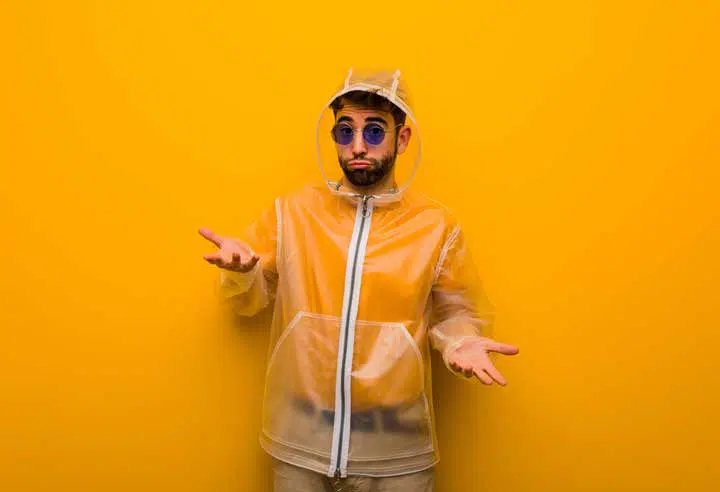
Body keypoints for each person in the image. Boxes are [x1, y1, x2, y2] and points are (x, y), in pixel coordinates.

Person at [199, 69, 519, 492]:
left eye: (373, 131)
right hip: (301, 440)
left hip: (397, 451)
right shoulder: (294, 213)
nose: (357, 147)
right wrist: (243, 273)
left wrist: (462, 341)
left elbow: (456, 312)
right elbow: (250, 300)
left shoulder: (435, 227)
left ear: (402, 139)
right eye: (344, 132)